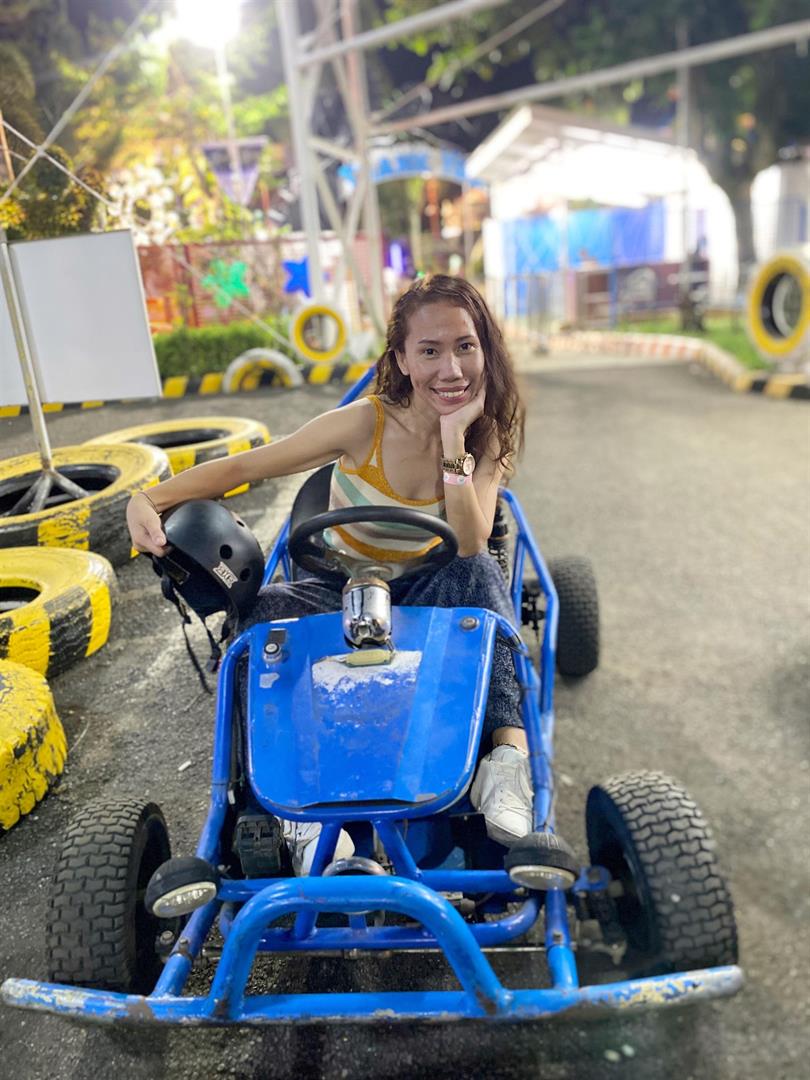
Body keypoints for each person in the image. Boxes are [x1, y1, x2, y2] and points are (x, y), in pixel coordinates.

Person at [127, 274, 532, 873]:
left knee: (480, 581)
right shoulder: (365, 423)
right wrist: (150, 497)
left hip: (433, 586)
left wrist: (453, 438)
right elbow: (249, 466)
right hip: (339, 585)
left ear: (484, 349)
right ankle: (290, 808)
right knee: (259, 621)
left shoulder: (485, 434)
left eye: (464, 347)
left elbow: (471, 540)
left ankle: (506, 763)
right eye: (430, 351)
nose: (451, 369)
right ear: (402, 360)